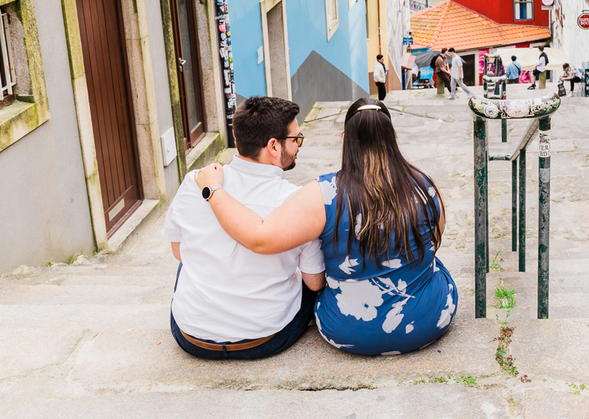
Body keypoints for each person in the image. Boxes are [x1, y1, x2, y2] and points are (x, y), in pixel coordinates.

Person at [195, 98, 457, 356]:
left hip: (349, 332)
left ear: (345, 140)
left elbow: (259, 238)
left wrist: (214, 190)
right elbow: (432, 242)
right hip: (430, 320)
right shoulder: (425, 185)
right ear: (393, 136)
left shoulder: (323, 194)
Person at [162, 96, 325, 360]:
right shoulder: (297, 200)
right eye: (296, 139)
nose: (298, 145)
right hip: (265, 338)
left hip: (192, 337)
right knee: (311, 274)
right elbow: (314, 282)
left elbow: (178, 252)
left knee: (189, 258)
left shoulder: (196, 182)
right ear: (274, 146)